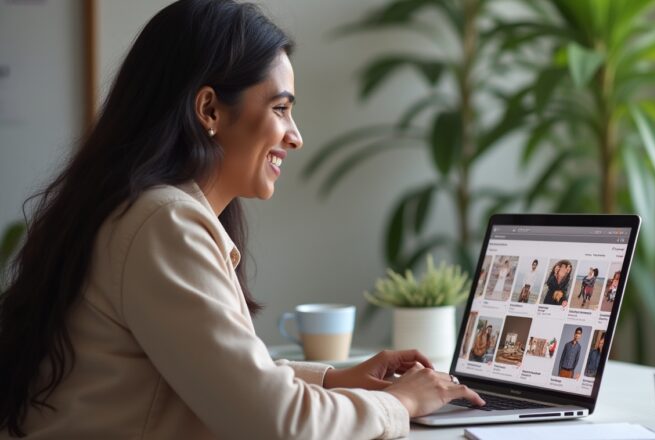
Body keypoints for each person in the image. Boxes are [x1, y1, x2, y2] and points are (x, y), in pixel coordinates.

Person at [0, 2, 483, 438]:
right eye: (280, 109)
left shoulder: (136, 210)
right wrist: (397, 403)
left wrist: (335, 379)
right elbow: (276, 425)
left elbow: (216, 379)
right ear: (208, 108)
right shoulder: (162, 223)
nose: (295, 137)